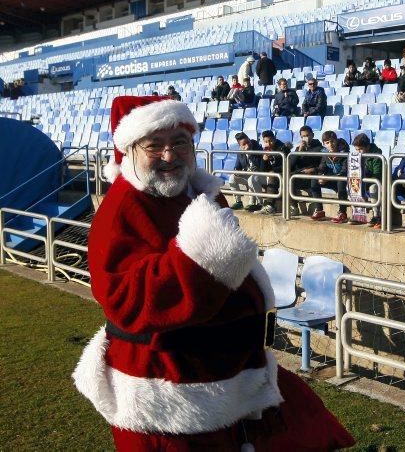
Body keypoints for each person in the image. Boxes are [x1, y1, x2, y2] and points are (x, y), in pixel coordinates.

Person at [73, 96, 353, 451]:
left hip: (225, 375)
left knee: (306, 426)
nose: (169, 155)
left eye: (179, 142)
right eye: (154, 145)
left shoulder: (195, 192)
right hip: (170, 393)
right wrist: (202, 257)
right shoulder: (123, 207)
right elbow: (127, 301)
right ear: (129, 150)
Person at [309, 131, 350, 223]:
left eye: (332, 141)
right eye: (327, 143)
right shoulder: (325, 154)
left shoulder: (344, 153)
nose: (330, 145)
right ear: (324, 144)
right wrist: (321, 176)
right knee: (314, 180)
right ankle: (319, 210)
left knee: (341, 182)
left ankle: (342, 213)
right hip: (332, 179)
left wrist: (327, 177)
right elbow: (321, 168)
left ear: (336, 141)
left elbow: (344, 172)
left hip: (343, 180)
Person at [289, 125, 323, 217]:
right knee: (286, 177)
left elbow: (321, 164)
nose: (305, 138)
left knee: (314, 178)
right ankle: (294, 207)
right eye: (303, 136)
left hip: (312, 175)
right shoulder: (298, 148)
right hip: (300, 175)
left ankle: (318, 208)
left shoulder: (319, 148)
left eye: (307, 135)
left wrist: (312, 169)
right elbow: (290, 165)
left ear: (312, 135)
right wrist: (299, 151)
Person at [351, 132, 383, 228]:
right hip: (364, 179)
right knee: (353, 185)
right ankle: (358, 215)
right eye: (357, 149)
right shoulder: (356, 156)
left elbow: (377, 174)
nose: (358, 152)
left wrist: (364, 180)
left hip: (376, 181)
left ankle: (376, 216)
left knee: (373, 187)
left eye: (361, 149)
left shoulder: (377, 155)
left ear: (367, 146)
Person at [228, 132, 266, 212]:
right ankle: (238, 202)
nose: (247, 145)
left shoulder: (257, 148)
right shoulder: (240, 152)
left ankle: (260, 203)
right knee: (232, 178)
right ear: (240, 146)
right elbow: (237, 166)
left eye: (248, 142)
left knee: (251, 179)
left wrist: (250, 154)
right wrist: (236, 172)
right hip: (248, 175)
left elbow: (261, 166)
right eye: (244, 144)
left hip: (261, 175)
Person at [259, 130, 291, 213]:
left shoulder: (283, 148)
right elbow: (263, 170)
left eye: (270, 141)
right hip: (273, 173)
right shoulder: (266, 149)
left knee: (273, 176)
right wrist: (264, 160)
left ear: (275, 139)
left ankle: (270, 205)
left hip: (285, 172)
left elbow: (287, 165)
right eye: (266, 142)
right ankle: (260, 203)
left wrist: (273, 171)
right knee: (256, 177)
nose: (269, 144)